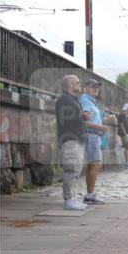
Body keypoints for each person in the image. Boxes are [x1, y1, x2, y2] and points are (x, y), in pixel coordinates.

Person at [55, 75, 88, 210]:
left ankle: (72, 198)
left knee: (76, 169)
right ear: (70, 84)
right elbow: (68, 117)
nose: (79, 84)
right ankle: (68, 200)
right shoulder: (64, 99)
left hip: (77, 138)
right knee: (71, 169)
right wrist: (83, 115)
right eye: (77, 82)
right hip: (70, 139)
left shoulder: (72, 99)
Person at [79, 79, 112, 205]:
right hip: (91, 135)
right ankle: (90, 195)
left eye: (97, 87)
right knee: (95, 164)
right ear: (85, 87)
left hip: (94, 136)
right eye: (92, 86)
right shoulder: (86, 101)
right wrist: (101, 128)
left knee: (93, 165)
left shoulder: (91, 102)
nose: (96, 89)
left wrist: (103, 119)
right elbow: (85, 122)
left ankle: (90, 194)